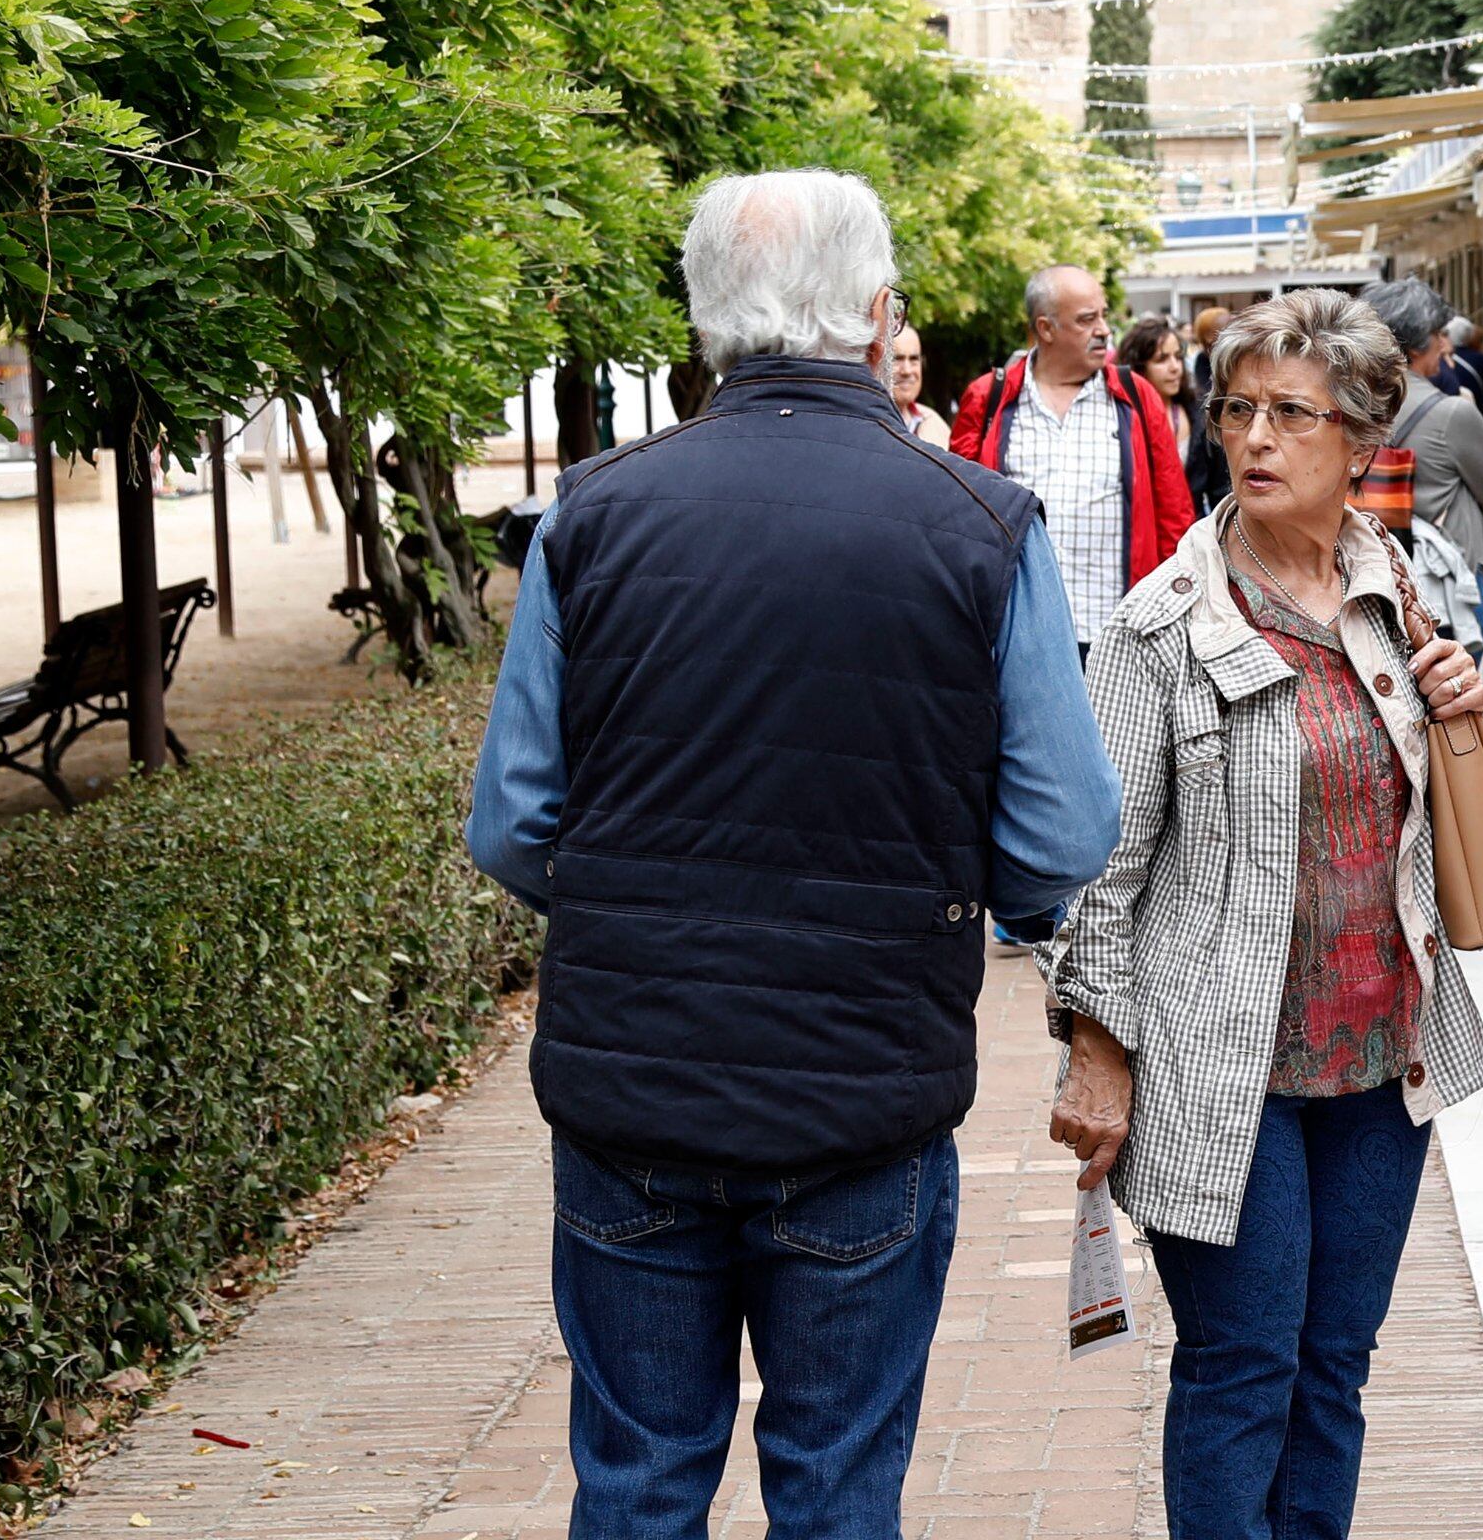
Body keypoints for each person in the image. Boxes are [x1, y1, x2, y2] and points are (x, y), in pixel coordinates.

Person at [466, 170, 1121, 1540]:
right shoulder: (978, 524)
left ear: (704, 319)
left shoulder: (589, 514)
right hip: (861, 1100)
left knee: (638, 1484)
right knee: (837, 1494)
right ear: (880, 313)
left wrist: (632, 905)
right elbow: (1061, 835)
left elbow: (515, 821)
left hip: (629, 1089)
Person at [1047, 289, 1483, 1540]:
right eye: (1237, 409)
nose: (1254, 438)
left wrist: (1456, 701)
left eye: (1290, 414)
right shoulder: (1159, 627)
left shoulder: (1390, 581)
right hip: (1218, 1067)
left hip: (1375, 1054)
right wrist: (1095, 1047)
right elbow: (1102, 868)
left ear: (1359, 437)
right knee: (1242, 1367)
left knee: (1333, 1365)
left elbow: (1425, 800)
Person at [951, 265, 1197, 653]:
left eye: (1103, 315)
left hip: (1117, 633)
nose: (1103, 330)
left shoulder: (1135, 397)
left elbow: (1174, 516)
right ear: (1046, 329)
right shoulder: (989, 399)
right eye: (1087, 320)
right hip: (1019, 637)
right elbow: (958, 519)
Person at [1350, 278, 1483, 647]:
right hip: (1445, 579)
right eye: (1438, 333)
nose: (1446, 344)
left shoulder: (1348, 404)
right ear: (1412, 346)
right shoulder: (1452, 411)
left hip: (1365, 572)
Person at [1121, 314, 1232, 517]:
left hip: (1191, 532)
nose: (1174, 367)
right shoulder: (1123, 417)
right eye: (1161, 359)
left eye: (1178, 357)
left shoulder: (1198, 414)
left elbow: (1219, 491)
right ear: (1139, 367)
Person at [885, 321, 953, 447]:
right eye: (896, 359)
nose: (907, 370)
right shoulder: (864, 422)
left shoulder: (934, 424)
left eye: (913, 359)